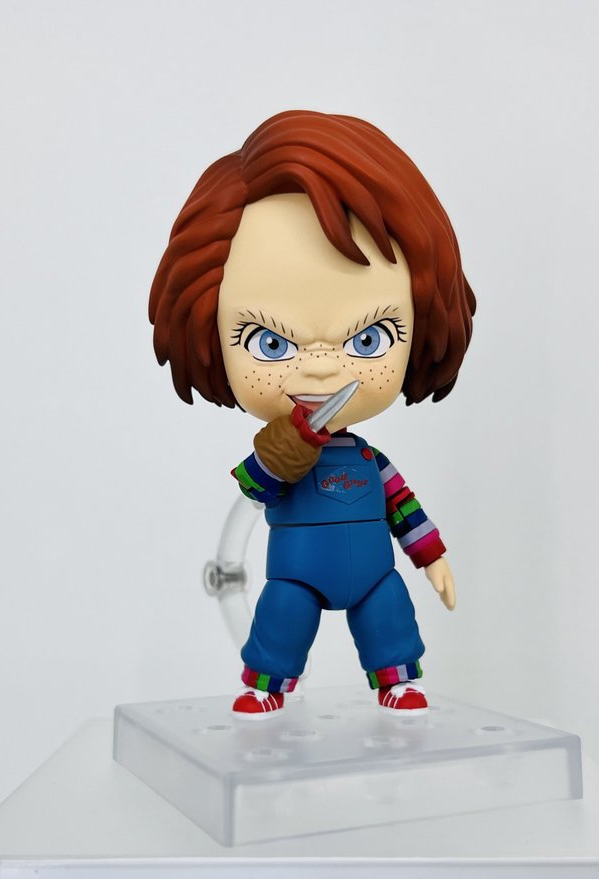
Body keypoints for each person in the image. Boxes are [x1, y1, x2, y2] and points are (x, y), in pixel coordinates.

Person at [149, 111, 475, 719]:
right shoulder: (284, 449)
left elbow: (404, 508)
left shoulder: (370, 462)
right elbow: (254, 487)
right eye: (271, 343)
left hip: (374, 572)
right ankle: (267, 684)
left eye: (370, 338)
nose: (322, 369)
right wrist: (282, 451)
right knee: (282, 618)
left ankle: (396, 679)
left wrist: (432, 557)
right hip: (295, 573)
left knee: (389, 615)